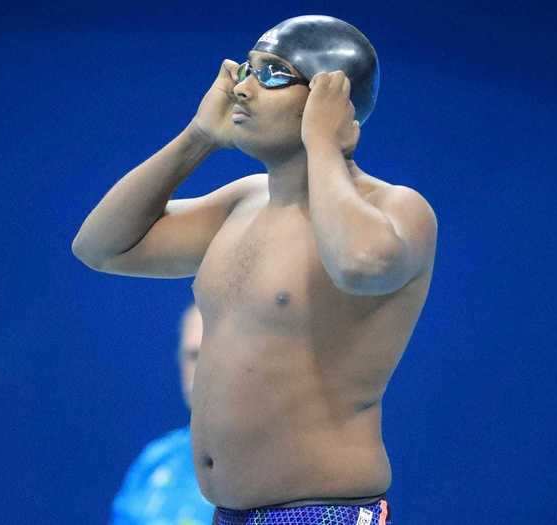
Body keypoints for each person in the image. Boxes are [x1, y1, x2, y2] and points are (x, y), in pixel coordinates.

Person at [73, 15, 437, 525]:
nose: (242, 88)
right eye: (247, 69)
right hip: (227, 514)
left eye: (271, 74)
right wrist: (198, 136)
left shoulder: (398, 208)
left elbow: (358, 265)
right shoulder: (240, 203)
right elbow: (101, 248)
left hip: (322, 513)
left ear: (329, 100)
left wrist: (325, 146)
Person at [110, 304, 215, 525]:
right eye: (194, 356)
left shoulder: (287, 470)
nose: (204, 369)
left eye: (217, 354)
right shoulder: (154, 463)